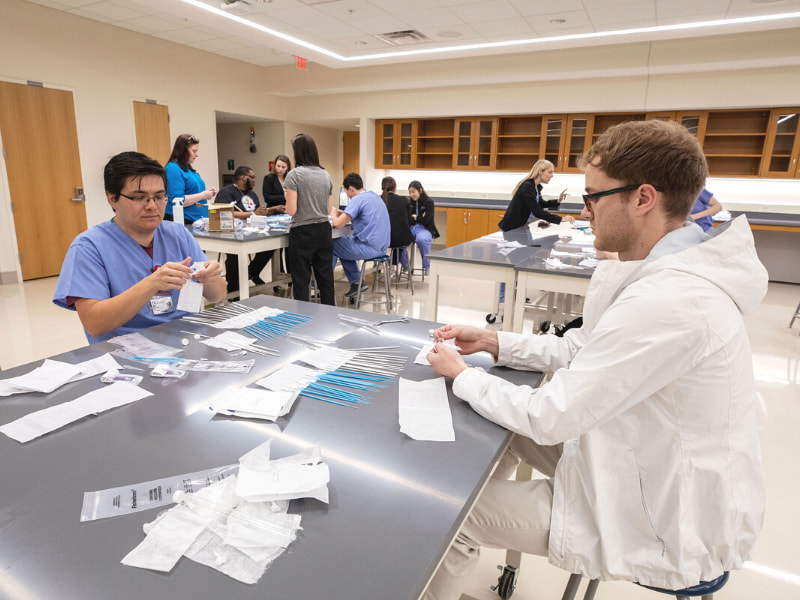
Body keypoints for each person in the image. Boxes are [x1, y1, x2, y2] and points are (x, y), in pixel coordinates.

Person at [423, 120, 767, 599]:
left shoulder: (672, 300)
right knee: (506, 436)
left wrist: (462, 375)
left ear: (643, 198)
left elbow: (550, 415)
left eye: (593, 197)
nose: (585, 214)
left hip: (660, 517)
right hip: (637, 458)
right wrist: (494, 341)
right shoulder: (655, 268)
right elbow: (582, 349)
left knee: (443, 510)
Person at [53, 151, 227, 343]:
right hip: (126, 352)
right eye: (139, 197)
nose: (152, 205)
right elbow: (94, 324)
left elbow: (218, 295)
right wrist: (152, 284)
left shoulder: (179, 235)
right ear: (112, 198)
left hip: (185, 341)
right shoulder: (89, 247)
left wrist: (211, 278)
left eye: (159, 196)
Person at [283, 133, 336, 305]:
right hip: (323, 229)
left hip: (302, 232)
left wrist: (287, 198)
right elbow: (329, 209)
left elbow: (291, 210)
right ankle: (330, 316)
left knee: (301, 280)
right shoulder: (325, 174)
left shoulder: (294, 175)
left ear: (298, 152)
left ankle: (304, 321)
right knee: (326, 278)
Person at [216, 165, 286, 293]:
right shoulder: (226, 192)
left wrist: (273, 209)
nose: (255, 180)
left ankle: (252, 272)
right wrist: (252, 214)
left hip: (253, 231)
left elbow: (258, 213)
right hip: (233, 235)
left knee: (269, 247)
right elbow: (224, 213)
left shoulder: (252, 194)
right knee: (234, 255)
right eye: (252, 177)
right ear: (243, 177)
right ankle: (234, 290)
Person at [330, 173, 391, 298]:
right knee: (344, 244)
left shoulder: (357, 199)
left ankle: (322, 283)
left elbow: (337, 224)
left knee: (331, 243)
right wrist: (345, 213)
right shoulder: (373, 196)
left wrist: (332, 213)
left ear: (351, 189)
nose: (347, 195)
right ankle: (356, 283)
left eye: (346, 192)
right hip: (382, 248)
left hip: (370, 249)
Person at [498, 159, 575, 231]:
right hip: (511, 228)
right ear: (540, 171)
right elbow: (537, 211)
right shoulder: (527, 187)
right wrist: (561, 219)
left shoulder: (536, 187)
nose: (552, 175)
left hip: (521, 226)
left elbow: (541, 204)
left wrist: (558, 200)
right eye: (550, 172)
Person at [163, 133, 216, 224]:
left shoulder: (189, 169)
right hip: (184, 221)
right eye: (194, 151)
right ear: (183, 151)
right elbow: (178, 200)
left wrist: (207, 194)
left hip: (198, 220)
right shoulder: (173, 169)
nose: (197, 155)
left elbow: (194, 192)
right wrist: (203, 195)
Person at [405, 180, 439, 275]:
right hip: (411, 228)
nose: (411, 195)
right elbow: (408, 219)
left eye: (413, 192)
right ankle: (405, 265)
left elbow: (427, 220)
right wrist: (419, 218)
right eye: (410, 192)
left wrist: (415, 218)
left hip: (425, 229)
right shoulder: (408, 203)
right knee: (400, 239)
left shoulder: (429, 202)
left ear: (420, 190)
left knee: (422, 239)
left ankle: (427, 267)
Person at [381, 176, 414, 254]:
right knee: (400, 237)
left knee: (394, 235)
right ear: (395, 188)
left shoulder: (379, 201)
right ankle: (397, 264)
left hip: (383, 239)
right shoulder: (404, 200)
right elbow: (409, 221)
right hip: (402, 239)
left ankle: (390, 264)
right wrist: (414, 219)